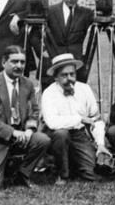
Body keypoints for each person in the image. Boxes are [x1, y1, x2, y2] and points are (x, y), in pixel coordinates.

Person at [0, 45, 50, 190]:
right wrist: (12, 133)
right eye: (14, 61)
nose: (19, 66)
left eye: (22, 62)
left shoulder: (28, 84)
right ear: (4, 62)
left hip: (20, 138)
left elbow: (35, 111)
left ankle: (21, 174)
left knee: (42, 140)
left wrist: (29, 130)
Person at [41, 53, 104, 184]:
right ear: (55, 78)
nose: (69, 78)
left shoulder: (85, 89)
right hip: (56, 136)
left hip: (79, 135)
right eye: (64, 75)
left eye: (72, 74)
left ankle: (74, 164)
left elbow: (95, 118)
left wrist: (100, 143)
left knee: (91, 174)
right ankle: (61, 174)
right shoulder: (48, 93)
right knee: (61, 134)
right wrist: (79, 118)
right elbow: (52, 122)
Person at [39, 0, 93, 87]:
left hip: (74, 65)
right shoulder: (50, 11)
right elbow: (35, 32)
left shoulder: (86, 13)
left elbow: (104, 18)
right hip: (52, 62)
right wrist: (42, 50)